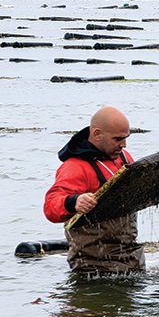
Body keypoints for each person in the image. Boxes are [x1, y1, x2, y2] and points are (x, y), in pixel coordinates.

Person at [43, 105, 143, 276]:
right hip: (92, 267)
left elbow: (143, 189)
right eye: (118, 139)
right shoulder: (75, 167)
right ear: (97, 134)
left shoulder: (124, 158)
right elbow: (50, 206)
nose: (123, 145)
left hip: (131, 259)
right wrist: (75, 201)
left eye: (126, 138)